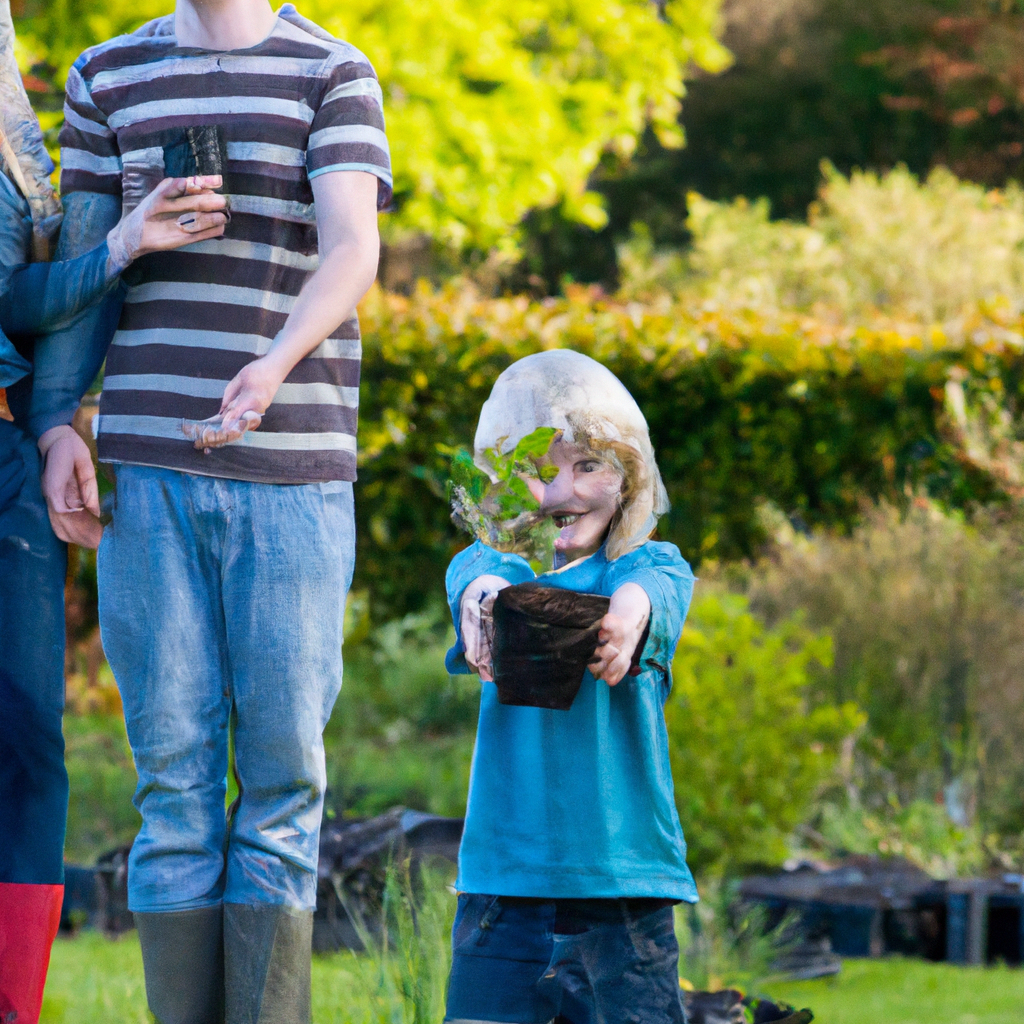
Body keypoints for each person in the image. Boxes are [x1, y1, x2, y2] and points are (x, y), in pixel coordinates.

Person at [42, 0, 390, 1019]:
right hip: (147, 471)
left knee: (283, 783)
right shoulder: (107, 73)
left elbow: (350, 248)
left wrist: (274, 363)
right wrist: (60, 418)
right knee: (174, 790)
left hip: (292, 471)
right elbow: (87, 266)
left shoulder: (333, 70)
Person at [0, 1, 227, 1016]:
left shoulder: (10, 134)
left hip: (1, 456)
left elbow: (18, 300)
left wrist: (123, 243)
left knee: (28, 735)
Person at [443, 350, 698, 1024]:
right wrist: (484, 602)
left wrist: (629, 615)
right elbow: (475, 577)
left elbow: (654, 592)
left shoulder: (647, 568)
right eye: (538, 474)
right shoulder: (496, 568)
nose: (563, 493)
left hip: (624, 885)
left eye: (588, 467)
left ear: (628, 476)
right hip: (504, 884)